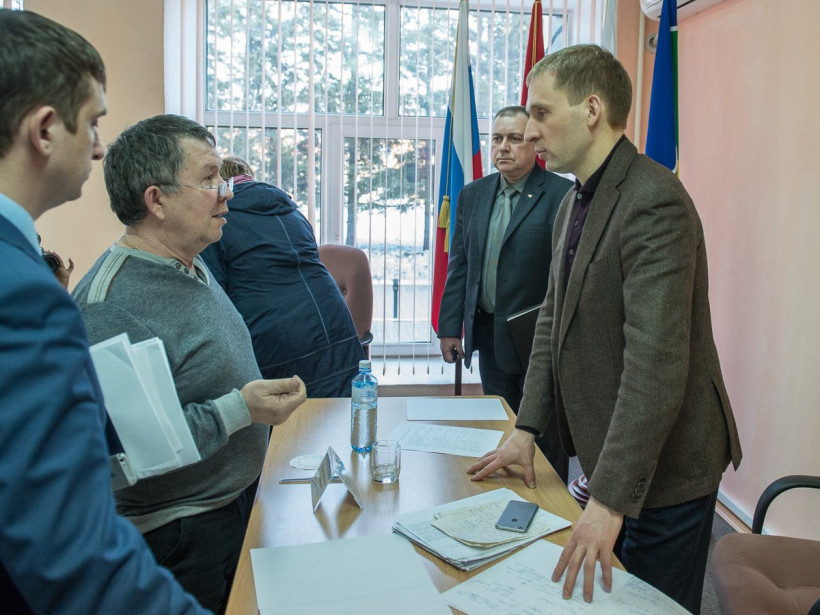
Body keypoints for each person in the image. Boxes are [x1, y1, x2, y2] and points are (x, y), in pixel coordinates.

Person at [467, 45, 742, 614]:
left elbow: (654, 367)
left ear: (591, 109)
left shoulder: (653, 200)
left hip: (670, 465)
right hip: (613, 448)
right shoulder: (575, 200)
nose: (529, 131)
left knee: (652, 605)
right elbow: (551, 321)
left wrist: (609, 501)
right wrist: (527, 427)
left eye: (541, 113)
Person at [0, 9, 210, 615]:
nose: (98, 149)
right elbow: (69, 548)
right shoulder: (23, 293)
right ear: (45, 130)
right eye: (92, 123)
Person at [72, 114, 307, 614]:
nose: (227, 193)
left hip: (233, 503)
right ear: (156, 201)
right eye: (208, 179)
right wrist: (243, 409)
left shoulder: (191, 260)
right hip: (181, 536)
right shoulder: (109, 304)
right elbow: (134, 455)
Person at [437, 105, 573, 483]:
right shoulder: (473, 195)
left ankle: (551, 501)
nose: (503, 147)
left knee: (542, 434)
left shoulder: (562, 195)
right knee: (500, 425)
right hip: (489, 334)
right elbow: (460, 265)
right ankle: (507, 498)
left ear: (534, 144)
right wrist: (450, 327)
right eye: (497, 138)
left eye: (514, 138)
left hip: (537, 340)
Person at [200, 156, 364, 397]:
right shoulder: (292, 212)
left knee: (285, 414)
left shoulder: (218, 220)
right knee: (339, 411)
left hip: (275, 334)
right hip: (333, 323)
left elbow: (215, 296)